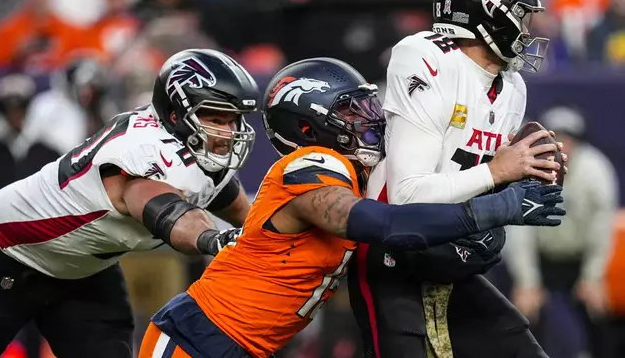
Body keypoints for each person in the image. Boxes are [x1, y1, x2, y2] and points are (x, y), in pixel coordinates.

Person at [138, 57, 565, 358]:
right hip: (196, 337)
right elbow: (384, 224)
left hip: (246, 344)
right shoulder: (308, 167)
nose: (370, 118)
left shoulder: (356, 173)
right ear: (308, 125)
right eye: (351, 109)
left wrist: (501, 176)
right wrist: (494, 204)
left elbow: (421, 199)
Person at [0, 48, 259, 358]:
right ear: (175, 114)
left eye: (234, 119)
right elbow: (165, 210)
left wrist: (269, 235)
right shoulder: (143, 148)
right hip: (6, 248)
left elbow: (233, 204)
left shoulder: (197, 152)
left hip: (83, 267)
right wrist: (214, 239)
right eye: (216, 118)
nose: (228, 132)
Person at [348, 0, 564, 357]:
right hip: (394, 251)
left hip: (450, 250)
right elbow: (407, 195)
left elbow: (475, 176)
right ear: (488, 14)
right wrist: (498, 173)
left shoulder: (513, 85)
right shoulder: (427, 58)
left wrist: (517, 184)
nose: (528, 30)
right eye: (521, 16)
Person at [505, 106, 620, 358]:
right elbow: (519, 229)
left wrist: (593, 276)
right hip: (541, 256)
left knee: (597, 310)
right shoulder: (529, 168)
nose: (563, 145)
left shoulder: (596, 170)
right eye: (556, 138)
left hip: (579, 258)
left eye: (569, 138)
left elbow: (602, 230)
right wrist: (527, 282)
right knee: (521, 312)